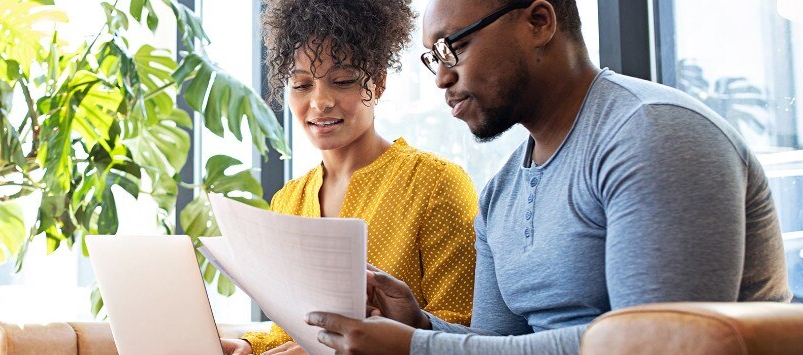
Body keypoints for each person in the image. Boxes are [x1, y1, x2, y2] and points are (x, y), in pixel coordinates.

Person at [304, 0, 794, 354]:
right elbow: (498, 347)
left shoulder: (651, 133)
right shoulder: (501, 192)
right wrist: (418, 324)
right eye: (433, 58)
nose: (442, 78)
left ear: (538, 22)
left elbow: (652, 344)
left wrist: (417, 349)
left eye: (454, 48)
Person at [219, 0, 478, 354]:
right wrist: (249, 345)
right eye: (301, 85)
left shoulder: (434, 183)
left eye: (342, 81)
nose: (320, 102)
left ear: (380, 82)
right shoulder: (288, 201)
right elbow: (294, 327)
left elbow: (465, 329)